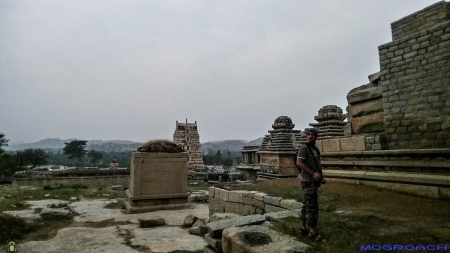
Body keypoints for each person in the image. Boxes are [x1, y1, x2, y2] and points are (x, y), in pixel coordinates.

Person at [295, 128, 325, 242]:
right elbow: (299, 163)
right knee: (312, 205)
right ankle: (312, 230)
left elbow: (316, 164)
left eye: (312, 134)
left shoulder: (315, 149)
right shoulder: (304, 148)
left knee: (307, 202)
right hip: (307, 180)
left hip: (314, 179)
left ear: (316, 137)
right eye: (308, 134)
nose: (310, 136)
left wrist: (319, 175)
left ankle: (302, 226)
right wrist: (312, 174)